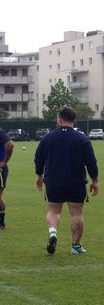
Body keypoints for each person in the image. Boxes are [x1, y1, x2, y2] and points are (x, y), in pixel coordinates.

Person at [35, 107, 99, 255]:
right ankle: (76, 247)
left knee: (53, 211)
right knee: (76, 214)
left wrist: (39, 176)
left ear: (60, 119)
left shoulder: (48, 137)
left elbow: (39, 158)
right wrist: (95, 180)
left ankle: (52, 232)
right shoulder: (82, 138)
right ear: (74, 120)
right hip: (75, 182)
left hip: (53, 181)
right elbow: (91, 162)